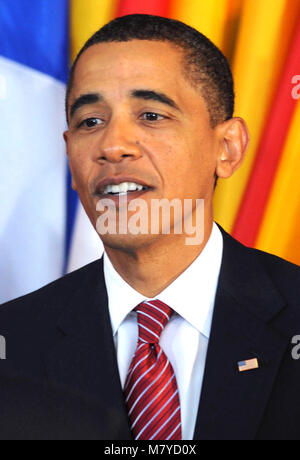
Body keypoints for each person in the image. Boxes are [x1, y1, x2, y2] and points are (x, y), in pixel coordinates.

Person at [0, 14, 300, 441]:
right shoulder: (11, 342)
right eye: (91, 122)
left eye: (152, 116)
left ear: (227, 148)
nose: (113, 145)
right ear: (69, 155)